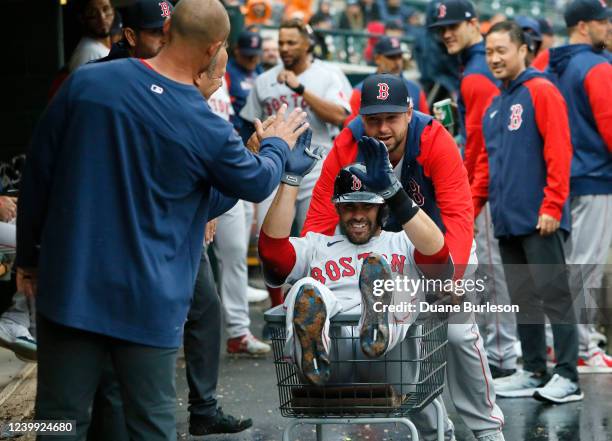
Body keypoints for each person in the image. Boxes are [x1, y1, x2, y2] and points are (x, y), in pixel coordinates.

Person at [16, 1, 309, 440]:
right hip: (148, 301)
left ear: (168, 28)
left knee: (58, 419)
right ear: (214, 49)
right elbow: (256, 182)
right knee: (150, 423)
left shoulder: (88, 82)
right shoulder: (202, 122)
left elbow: (38, 172)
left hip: (71, 286)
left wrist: (28, 258)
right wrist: (277, 146)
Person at [302, 73, 505, 441]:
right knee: (404, 341)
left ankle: (488, 430)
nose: (381, 128)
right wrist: (308, 271)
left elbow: (459, 216)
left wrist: (450, 280)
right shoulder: (348, 142)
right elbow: (319, 218)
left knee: (457, 333)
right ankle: (432, 431)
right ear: (360, 117)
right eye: (373, 119)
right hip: (383, 254)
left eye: (391, 118)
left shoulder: (433, 138)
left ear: (409, 113)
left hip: (438, 245)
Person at [259, 157, 451, 385]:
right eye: (349, 206)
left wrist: (396, 193)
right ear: (338, 208)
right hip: (332, 364)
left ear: (382, 208)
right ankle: (315, 354)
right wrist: (290, 180)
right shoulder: (316, 246)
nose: (358, 215)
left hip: (391, 364)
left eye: (367, 206)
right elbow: (272, 255)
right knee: (304, 288)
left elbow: (439, 260)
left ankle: (378, 332)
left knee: (400, 283)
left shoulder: (404, 241)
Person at [472, 21, 582, 404]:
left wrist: (553, 204)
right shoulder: (494, 104)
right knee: (523, 298)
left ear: (523, 50)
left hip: (541, 218)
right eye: (488, 52)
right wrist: (471, 205)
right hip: (507, 219)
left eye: (502, 50)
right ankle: (533, 368)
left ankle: (568, 376)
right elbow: (487, 163)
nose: (494, 58)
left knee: (554, 295)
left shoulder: (542, 91)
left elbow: (559, 151)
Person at [429, 0, 517, 377]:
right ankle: (509, 353)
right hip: (501, 182)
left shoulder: (477, 73)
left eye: (453, 25)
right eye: (441, 29)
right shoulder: (476, 67)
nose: (447, 33)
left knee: (493, 275)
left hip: (490, 185)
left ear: (474, 24)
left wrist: (471, 192)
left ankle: (502, 357)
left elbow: (483, 144)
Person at [548, 0, 612, 369]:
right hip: (595, 177)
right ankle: (583, 349)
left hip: (565, 178)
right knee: (584, 267)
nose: (608, 28)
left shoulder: (555, 64)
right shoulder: (596, 66)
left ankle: (569, 343)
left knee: (571, 265)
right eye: (603, 22)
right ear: (584, 26)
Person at [346, 36, 429, 126]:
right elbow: (350, 129)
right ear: (378, 59)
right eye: (391, 57)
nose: (397, 62)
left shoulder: (415, 90)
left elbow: (426, 127)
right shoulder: (360, 91)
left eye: (399, 56)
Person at [95, 0, 173, 62]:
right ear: (131, 37)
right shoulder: (107, 74)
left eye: (170, 32)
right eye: (156, 32)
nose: (166, 40)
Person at [226, 30, 263, 140]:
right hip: (235, 131)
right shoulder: (226, 71)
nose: (252, 59)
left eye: (255, 55)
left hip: (257, 131)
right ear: (237, 51)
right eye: (248, 55)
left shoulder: (259, 71)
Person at [67, 0, 115, 71]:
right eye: (93, 13)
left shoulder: (100, 49)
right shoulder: (87, 53)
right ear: (82, 18)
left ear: (113, 11)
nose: (102, 17)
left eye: (106, 9)